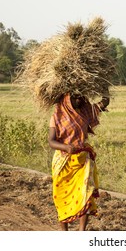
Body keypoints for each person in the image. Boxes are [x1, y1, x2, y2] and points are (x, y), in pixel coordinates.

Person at [48, 92, 109, 231]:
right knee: (62, 197)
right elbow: (51, 141)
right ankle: (65, 232)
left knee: (86, 193)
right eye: (75, 97)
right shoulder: (57, 116)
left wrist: (105, 90)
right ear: (67, 99)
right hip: (63, 162)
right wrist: (65, 147)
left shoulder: (85, 111)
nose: (79, 99)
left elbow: (104, 102)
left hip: (82, 160)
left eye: (81, 97)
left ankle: (82, 231)